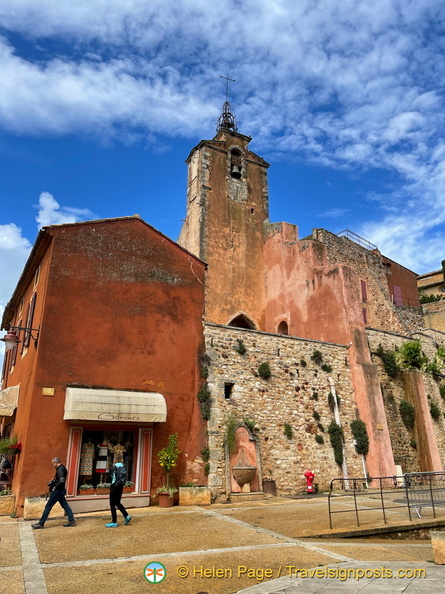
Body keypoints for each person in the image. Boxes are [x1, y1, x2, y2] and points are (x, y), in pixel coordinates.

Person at [32, 457, 76, 529]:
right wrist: (54, 481)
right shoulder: (62, 468)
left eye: (52, 463)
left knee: (48, 507)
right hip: (61, 490)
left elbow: (62, 480)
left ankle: (41, 523)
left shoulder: (60, 469)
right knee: (65, 505)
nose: (52, 465)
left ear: (56, 462)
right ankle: (71, 520)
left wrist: (54, 487)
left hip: (57, 491)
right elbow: (60, 479)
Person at [106, 462, 131, 527]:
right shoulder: (123, 469)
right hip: (120, 487)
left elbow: (108, 478)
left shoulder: (113, 468)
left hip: (114, 487)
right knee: (118, 503)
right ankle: (126, 516)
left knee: (112, 504)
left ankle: (114, 522)